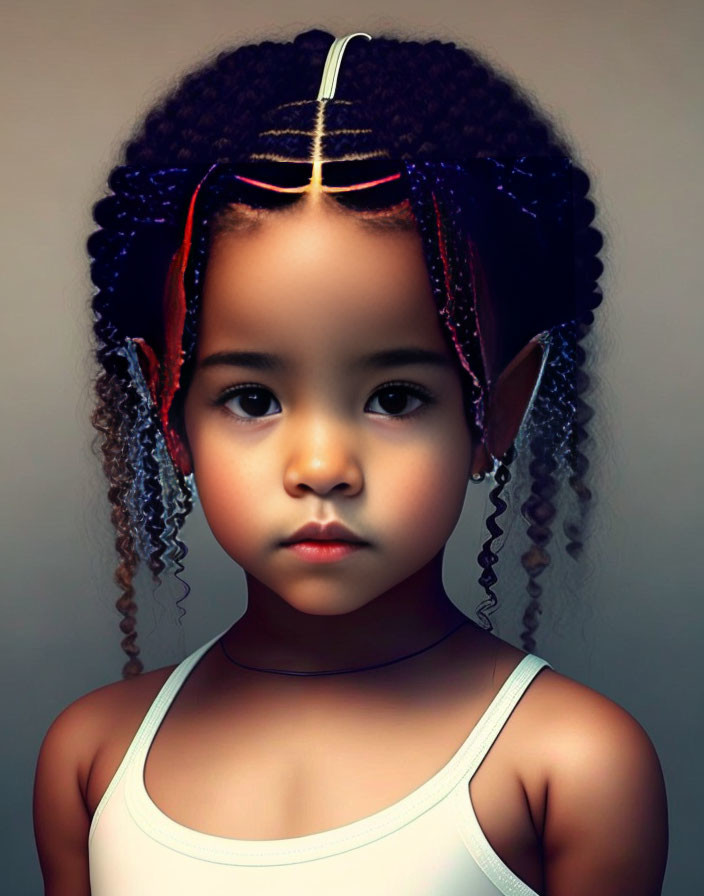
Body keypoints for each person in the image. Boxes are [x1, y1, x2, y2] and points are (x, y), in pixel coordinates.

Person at [33, 29, 668, 896]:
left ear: (498, 409)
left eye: (397, 397)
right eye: (252, 399)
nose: (323, 464)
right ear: (169, 407)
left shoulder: (569, 768)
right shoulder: (93, 764)